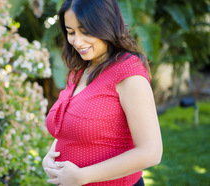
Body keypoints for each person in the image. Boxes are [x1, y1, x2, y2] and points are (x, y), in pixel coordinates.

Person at [42, 0, 163, 185]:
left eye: (86, 31)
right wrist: (51, 156)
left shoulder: (128, 72)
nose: (77, 41)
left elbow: (151, 152)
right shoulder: (80, 67)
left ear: (106, 25)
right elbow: (68, 125)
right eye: (71, 32)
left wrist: (83, 176)